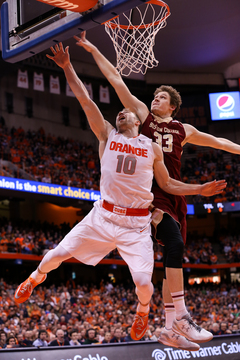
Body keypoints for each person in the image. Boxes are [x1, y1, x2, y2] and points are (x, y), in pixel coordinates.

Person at [14, 42, 226, 347]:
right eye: (120, 113)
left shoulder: (152, 147)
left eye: (127, 113)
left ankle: (142, 312)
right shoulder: (106, 134)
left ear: (138, 122)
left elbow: (167, 185)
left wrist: (199, 190)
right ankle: (33, 278)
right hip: (102, 217)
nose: (122, 114)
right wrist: (66, 66)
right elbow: (84, 98)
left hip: (136, 225)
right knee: (55, 257)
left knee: (144, 285)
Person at [75, 31, 240, 349]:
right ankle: (180, 317)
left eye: (161, 98)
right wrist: (93, 47)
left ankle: (168, 328)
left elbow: (221, 142)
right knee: (175, 246)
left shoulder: (184, 129)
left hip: (174, 195)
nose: (155, 100)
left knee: (173, 255)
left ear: (174, 106)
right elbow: (115, 79)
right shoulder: (144, 117)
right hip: (149, 192)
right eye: (154, 97)